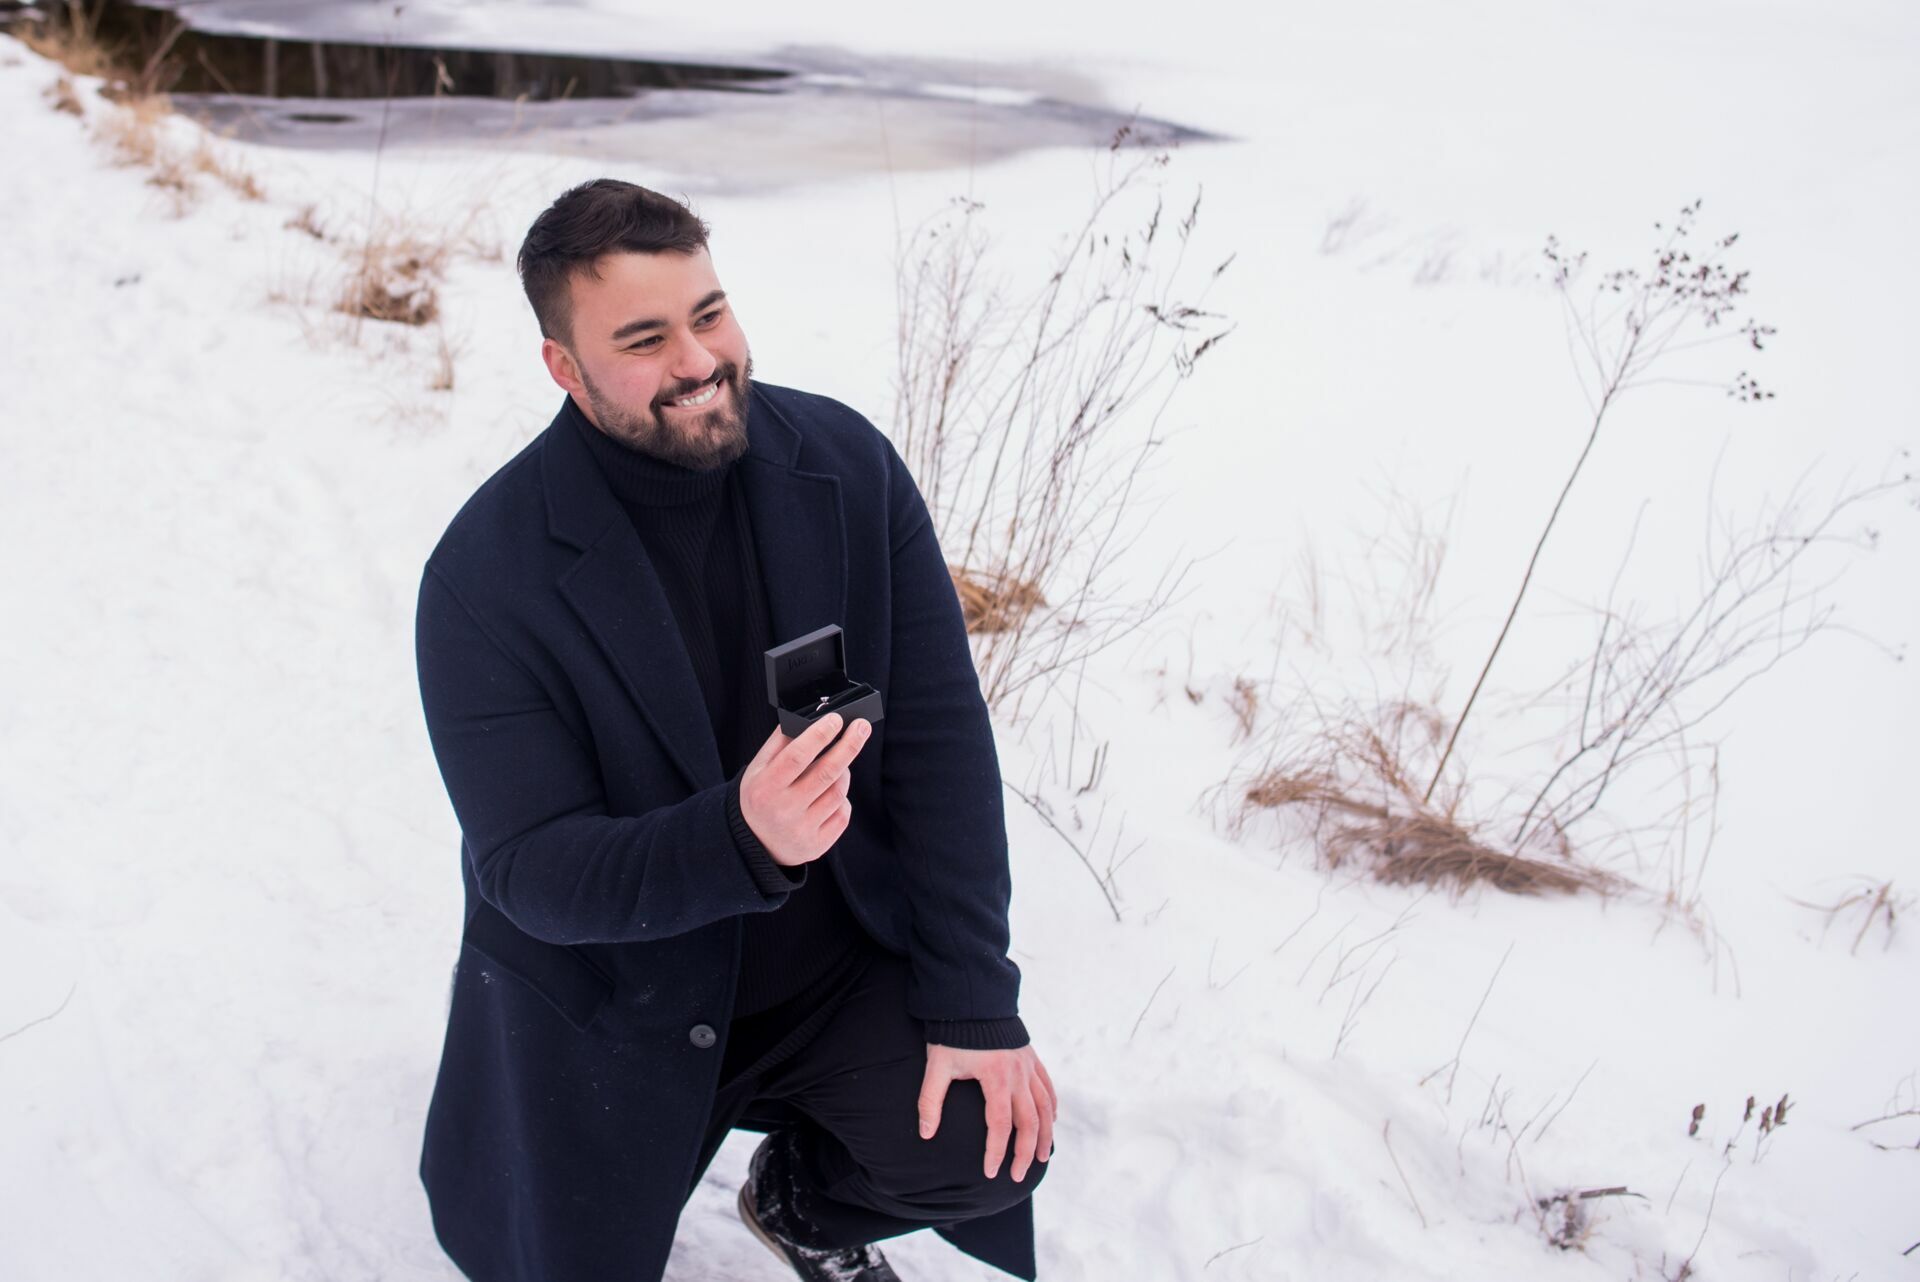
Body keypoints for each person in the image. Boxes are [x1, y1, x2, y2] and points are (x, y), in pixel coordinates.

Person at [412, 178, 1056, 1282]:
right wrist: (739, 839)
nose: (699, 359)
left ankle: (800, 1207)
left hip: (831, 970)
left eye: (709, 314)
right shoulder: (484, 577)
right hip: (620, 998)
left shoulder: (846, 468)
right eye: (645, 338)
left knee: (988, 1144)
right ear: (564, 367)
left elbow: (942, 747)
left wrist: (971, 996)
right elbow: (528, 865)